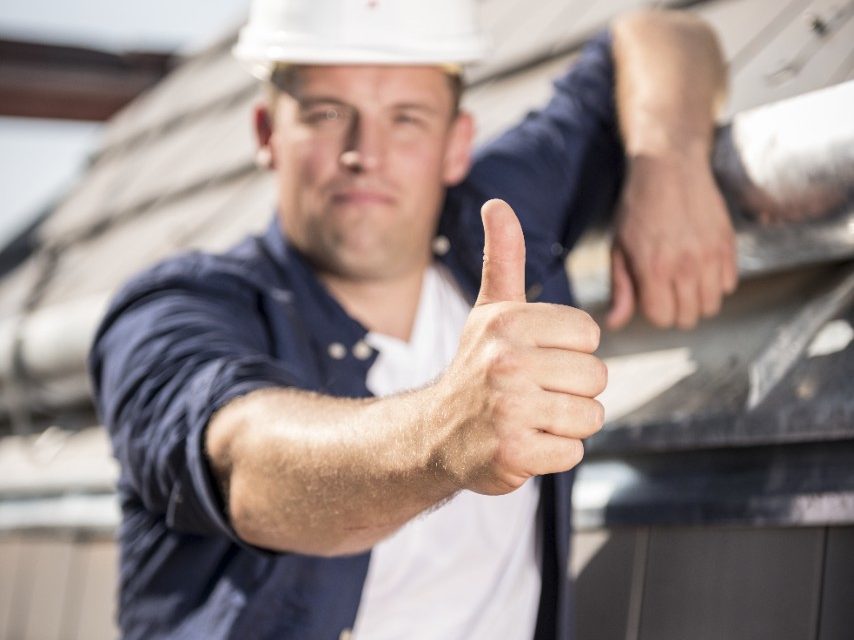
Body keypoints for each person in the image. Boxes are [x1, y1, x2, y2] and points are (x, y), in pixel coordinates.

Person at [89, 1, 736, 638]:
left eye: (406, 118)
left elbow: (662, 33)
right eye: (326, 112)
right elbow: (245, 463)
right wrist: (446, 434)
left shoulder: (495, 221)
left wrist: (666, 162)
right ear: (266, 133)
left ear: (456, 145)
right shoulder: (175, 308)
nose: (365, 153)